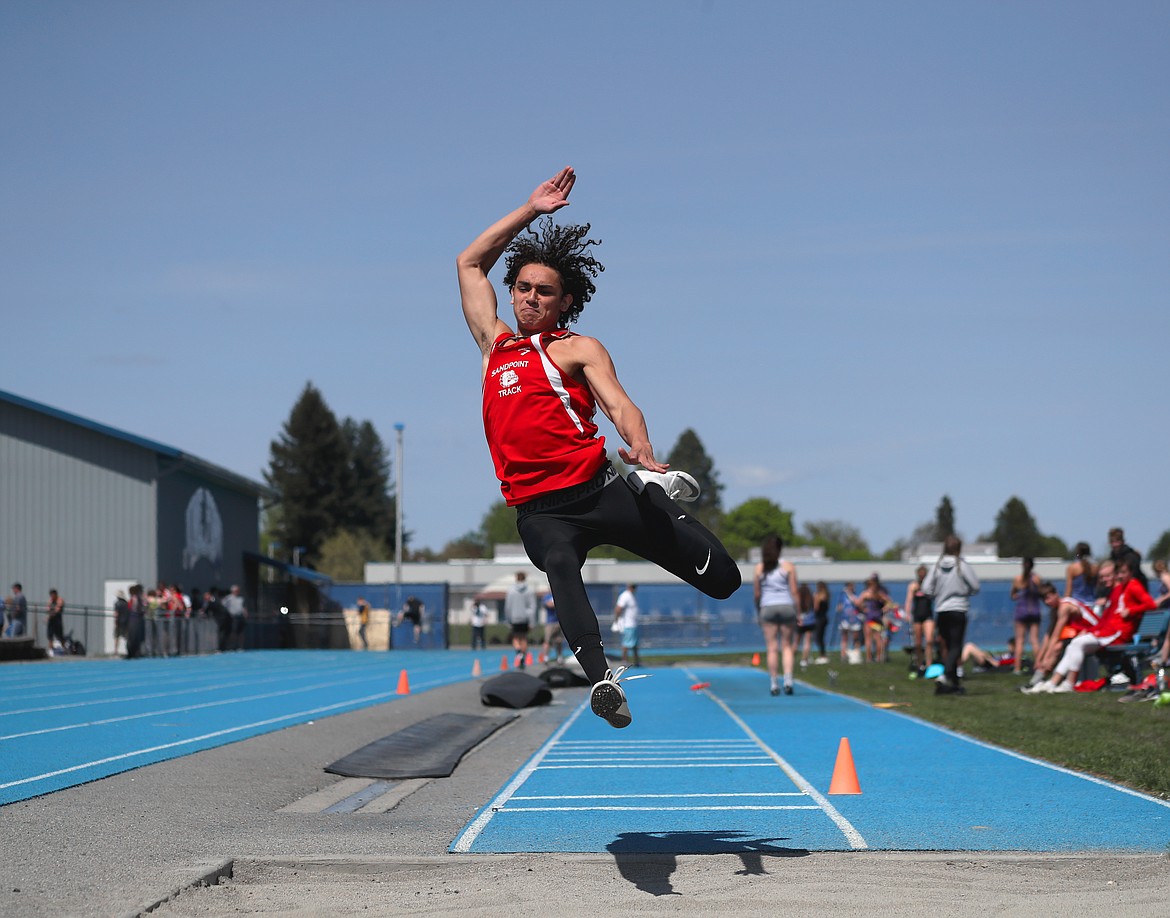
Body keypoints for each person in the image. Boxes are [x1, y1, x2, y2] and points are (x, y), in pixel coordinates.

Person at [457, 166, 740, 728]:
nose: (531, 297)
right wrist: (531, 210)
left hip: (599, 489)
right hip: (540, 511)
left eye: (545, 291)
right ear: (510, 291)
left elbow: (619, 405)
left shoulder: (576, 348)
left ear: (565, 301)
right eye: (523, 287)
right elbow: (468, 262)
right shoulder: (496, 347)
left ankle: (653, 492)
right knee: (560, 564)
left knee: (724, 582)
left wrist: (640, 447)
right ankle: (603, 681)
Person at [1024, 558, 1156, 694]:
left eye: (1109, 575)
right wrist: (1090, 630)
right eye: (1102, 577)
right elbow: (1105, 620)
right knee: (1075, 644)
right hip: (1107, 632)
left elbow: (1151, 604)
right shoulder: (1117, 590)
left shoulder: (1131, 585)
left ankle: (1067, 683)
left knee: (1076, 643)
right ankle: (1053, 682)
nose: (1105, 579)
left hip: (1116, 634)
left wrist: (1130, 611)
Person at [922, 535, 980, 695]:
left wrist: (937, 595)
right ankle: (946, 674)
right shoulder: (962, 565)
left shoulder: (937, 566)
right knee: (956, 646)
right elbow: (975, 586)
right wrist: (964, 592)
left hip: (941, 610)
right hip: (958, 609)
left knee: (946, 646)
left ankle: (953, 683)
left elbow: (926, 588)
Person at [753, 535, 799, 695]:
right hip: (786, 606)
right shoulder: (788, 567)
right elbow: (794, 591)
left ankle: (774, 683)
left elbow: (757, 594)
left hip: (768, 607)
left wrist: (759, 611)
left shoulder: (760, 568)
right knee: (786, 646)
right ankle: (788, 680)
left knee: (772, 647)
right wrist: (799, 612)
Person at [1010, 558, 1043, 675]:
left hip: (1021, 611)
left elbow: (1012, 595)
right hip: (1034, 611)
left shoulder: (1018, 579)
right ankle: (1039, 666)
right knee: (1034, 640)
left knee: (1019, 641)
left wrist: (1018, 596)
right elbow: (1041, 593)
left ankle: (1017, 668)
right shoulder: (1037, 579)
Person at [905, 565, 935, 676]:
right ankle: (919, 664)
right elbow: (909, 600)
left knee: (929, 640)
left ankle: (929, 664)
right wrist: (907, 613)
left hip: (928, 616)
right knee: (917, 643)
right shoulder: (914, 585)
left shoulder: (930, 586)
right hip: (917, 616)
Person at [504, 573, 536, 669]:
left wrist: (508, 619)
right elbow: (532, 606)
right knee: (524, 638)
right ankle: (523, 654)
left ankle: (518, 652)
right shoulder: (529, 591)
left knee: (516, 637)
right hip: (525, 618)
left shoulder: (511, 591)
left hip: (514, 617)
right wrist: (532, 621)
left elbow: (508, 606)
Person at [856, 575, 890, 663]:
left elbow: (858, 603)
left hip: (869, 619)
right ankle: (878, 658)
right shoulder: (878, 593)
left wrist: (863, 609)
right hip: (877, 618)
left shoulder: (866, 593)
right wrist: (882, 610)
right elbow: (889, 602)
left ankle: (869, 658)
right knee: (878, 638)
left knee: (868, 638)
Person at [614, 584, 642, 668]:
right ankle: (624, 662)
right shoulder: (625, 596)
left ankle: (636, 662)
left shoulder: (631, 596)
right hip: (628, 624)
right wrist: (617, 620)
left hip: (633, 624)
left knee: (634, 644)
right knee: (626, 643)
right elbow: (618, 608)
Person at [837, 582, 862, 662]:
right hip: (845, 619)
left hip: (855, 619)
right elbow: (839, 607)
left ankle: (856, 654)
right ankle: (843, 654)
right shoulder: (842, 596)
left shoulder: (855, 596)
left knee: (856, 638)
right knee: (844, 638)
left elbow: (858, 604)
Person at [796, 583, 816, 669]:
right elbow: (815, 608)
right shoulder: (811, 597)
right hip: (809, 621)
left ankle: (790, 658)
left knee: (796, 642)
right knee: (807, 642)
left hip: (800, 621)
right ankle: (804, 660)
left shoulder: (798, 598)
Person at [222, 584, 248, 651]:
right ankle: (231, 647)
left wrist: (245, 614)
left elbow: (243, 607)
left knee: (240, 632)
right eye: (236, 590)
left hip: (240, 617)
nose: (237, 592)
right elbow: (223, 605)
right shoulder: (228, 598)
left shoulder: (240, 598)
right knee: (232, 632)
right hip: (232, 617)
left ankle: (240, 647)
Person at [541, 590, 563, 663]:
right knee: (547, 640)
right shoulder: (547, 596)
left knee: (559, 641)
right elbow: (548, 604)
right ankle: (546, 657)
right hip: (550, 622)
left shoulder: (559, 594)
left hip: (559, 621)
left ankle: (559, 657)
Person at [812, 581, 831, 664]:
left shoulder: (819, 596)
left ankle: (823, 655)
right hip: (824, 618)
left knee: (818, 637)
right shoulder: (827, 595)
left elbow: (816, 608)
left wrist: (815, 599)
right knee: (820, 637)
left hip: (820, 618)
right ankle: (823, 655)